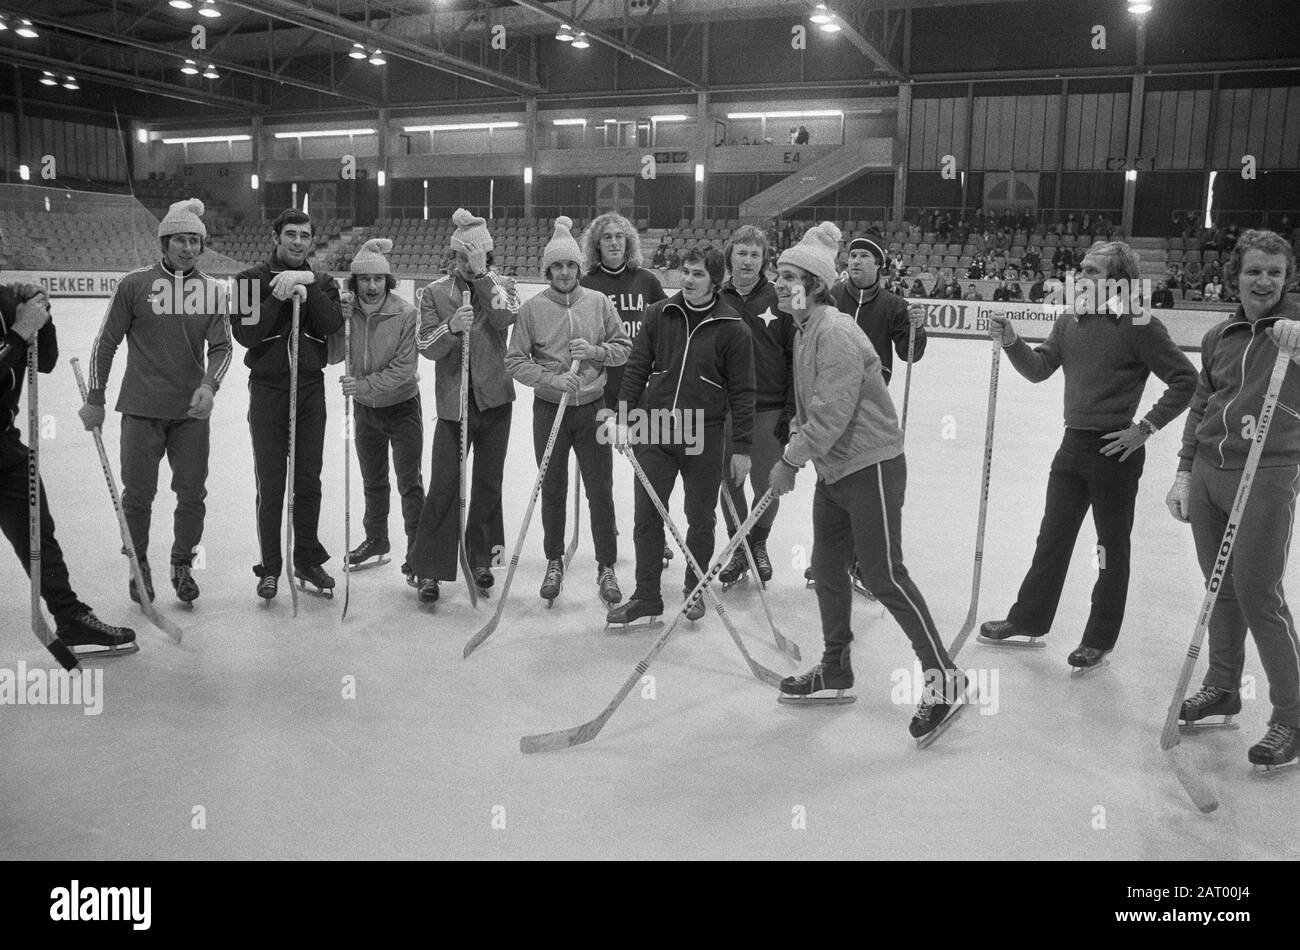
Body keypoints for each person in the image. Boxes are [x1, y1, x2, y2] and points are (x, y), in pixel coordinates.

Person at [770, 223, 968, 742]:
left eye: (789, 277)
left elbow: (832, 412)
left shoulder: (834, 332)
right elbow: (810, 403)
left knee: (884, 576)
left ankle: (944, 677)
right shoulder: (804, 328)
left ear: (814, 284)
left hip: (870, 466)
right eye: (779, 275)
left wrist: (789, 459)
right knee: (828, 569)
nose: (779, 283)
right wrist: (797, 436)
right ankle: (835, 665)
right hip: (834, 470)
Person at [979, 241, 1197, 669]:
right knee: (1052, 539)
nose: (1081, 275)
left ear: (1120, 281)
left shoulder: (1139, 324)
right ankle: (1028, 619)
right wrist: (1011, 342)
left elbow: (1185, 380)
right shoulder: (1069, 322)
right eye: (1081, 268)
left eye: (1094, 271)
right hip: (1072, 447)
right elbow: (1039, 369)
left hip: (1114, 451)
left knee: (1109, 548)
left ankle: (1099, 638)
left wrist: (1144, 428)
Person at [1168, 229, 1300, 769]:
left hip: (1266, 474)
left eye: (1274, 272)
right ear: (1236, 276)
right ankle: (1223, 686)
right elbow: (1202, 401)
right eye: (1254, 271)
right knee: (1217, 587)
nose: (1263, 281)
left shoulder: (1294, 330)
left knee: (1258, 593)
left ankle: (1291, 715)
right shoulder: (1221, 333)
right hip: (1208, 472)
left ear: (1287, 277)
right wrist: (1182, 470)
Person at [80, 198, 232, 606]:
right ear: (164, 242)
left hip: (190, 415)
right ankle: (138, 564)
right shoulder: (135, 284)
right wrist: (96, 397)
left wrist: (209, 386)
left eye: (194, 241)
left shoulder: (212, 292)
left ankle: (182, 564)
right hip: (141, 411)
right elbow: (105, 343)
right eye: (180, 240)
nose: (187, 248)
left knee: (192, 494)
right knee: (138, 495)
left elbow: (222, 349)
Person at [606, 246, 754, 627]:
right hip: (655, 426)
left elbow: (742, 392)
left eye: (698, 274)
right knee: (647, 515)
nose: (688, 279)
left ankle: (694, 588)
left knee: (700, 518)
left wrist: (742, 447)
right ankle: (647, 595)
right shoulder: (660, 313)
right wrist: (623, 416)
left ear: (715, 281)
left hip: (702, 428)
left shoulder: (732, 327)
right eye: (686, 272)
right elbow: (638, 366)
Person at [2, 281, 135, 659]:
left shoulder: (5, 300)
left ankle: (70, 617)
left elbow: (43, 362)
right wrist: (18, 331)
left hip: (4, 446)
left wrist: (41, 316)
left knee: (38, 536)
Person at [505, 216, 631, 605]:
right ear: (547, 270)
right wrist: (551, 379)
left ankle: (606, 565)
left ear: (580, 267)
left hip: (592, 409)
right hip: (550, 409)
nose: (564, 272)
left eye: (570, 265)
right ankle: (554, 560)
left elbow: (624, 347)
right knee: (553, 486)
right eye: (557, 266)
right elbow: (514, 361)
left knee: (600, 490)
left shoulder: (598, 303)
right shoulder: (532, 310)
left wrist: (595, 352)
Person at [232, 208, 344, 600]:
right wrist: (278, 297)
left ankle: (307, 559)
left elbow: (331, 324)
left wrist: (307, 286)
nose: (299, 242)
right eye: (291, 234)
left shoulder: (325, 282)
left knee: (308, 480)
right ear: (276, 238)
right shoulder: (248, 281)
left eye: (305, 235)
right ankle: (269, 567)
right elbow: (247, 335)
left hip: (310, 389)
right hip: (268, 390)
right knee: (272, 483)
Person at [408, 208, 519, 604]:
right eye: (461, 256)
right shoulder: (434, 293)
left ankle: (483, 558)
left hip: (495, 404)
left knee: (489, 484)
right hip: (454, 408)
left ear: (487, 255)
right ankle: (429, 569)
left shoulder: (504, 283)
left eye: (475, 255)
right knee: (443, 486)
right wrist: (451, 328)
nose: (466, 263)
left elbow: (508, 316)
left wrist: (483, 277)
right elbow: (425, 345)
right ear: (452, 256)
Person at [327, 238, 424, 581]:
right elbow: (334, 356)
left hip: (401, 407)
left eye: (378, 279)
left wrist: (363, 386)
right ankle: (376, 538)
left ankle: (418, 550)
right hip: (365, 411)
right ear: (354, 283)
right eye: (364, 279)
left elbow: (404, 368)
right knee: (373, 481)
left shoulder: (405, 313)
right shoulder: (348, 314)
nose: (371, 286)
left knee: (409, 482)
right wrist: (336, 322)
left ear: (388, 281)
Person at [580, 212, 668, 562]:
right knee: (601, 471)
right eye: (607, 237)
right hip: (600, 390)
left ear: (628, 241)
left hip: (643, 391)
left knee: (648, 466)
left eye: (620, 236)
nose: (614, 242)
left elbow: (667, 328)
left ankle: (653, 535)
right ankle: (607, 529)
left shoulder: (647, 281)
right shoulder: (586, 283)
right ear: (596, 245)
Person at [716, 225, 793, 587]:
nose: (747, 260)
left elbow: (798, 356)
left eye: (755, 254)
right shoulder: (715, 297)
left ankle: (756, 544)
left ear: (765, 260)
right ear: (730, 255)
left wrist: (792, 409)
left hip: (769, 408)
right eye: (742, 253)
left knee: (766, 485)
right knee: (729, 483)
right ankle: (740, 548)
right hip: (724, 409)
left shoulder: (783, 298)